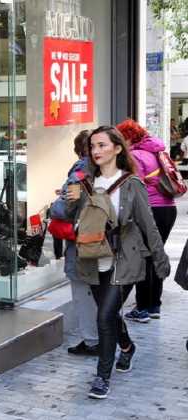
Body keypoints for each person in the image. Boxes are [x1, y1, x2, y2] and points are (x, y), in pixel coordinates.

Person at [67, 126, 169, 399]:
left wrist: (160, 260)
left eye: (102, 145)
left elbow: (149, 225)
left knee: (103, 317)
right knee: (109, 314)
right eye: (92, 146)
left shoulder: (132, 184)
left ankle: (102, 376)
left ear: (118, 148)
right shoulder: (85, 183)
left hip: (123, 259)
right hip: (92, 259)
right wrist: (70, 201)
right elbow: (71, 217)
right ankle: (127, 346)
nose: (95, 151)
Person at [116, 119, 177, 322]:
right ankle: (154, 305)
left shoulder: (135, 156)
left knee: (143, 258)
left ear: (128, 138)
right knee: (155, 255)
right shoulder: (157, 151)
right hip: (168, 209)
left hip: (150, 210)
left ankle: (142, 308)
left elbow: (135, 188)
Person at [50, 130, 99, 356]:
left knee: (82, 293)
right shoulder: (110, 169)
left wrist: (55, 204)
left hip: (83, 243)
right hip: (104, 241)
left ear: (79, 150)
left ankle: (92, 340)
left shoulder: (80, 173)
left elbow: (65, 209)